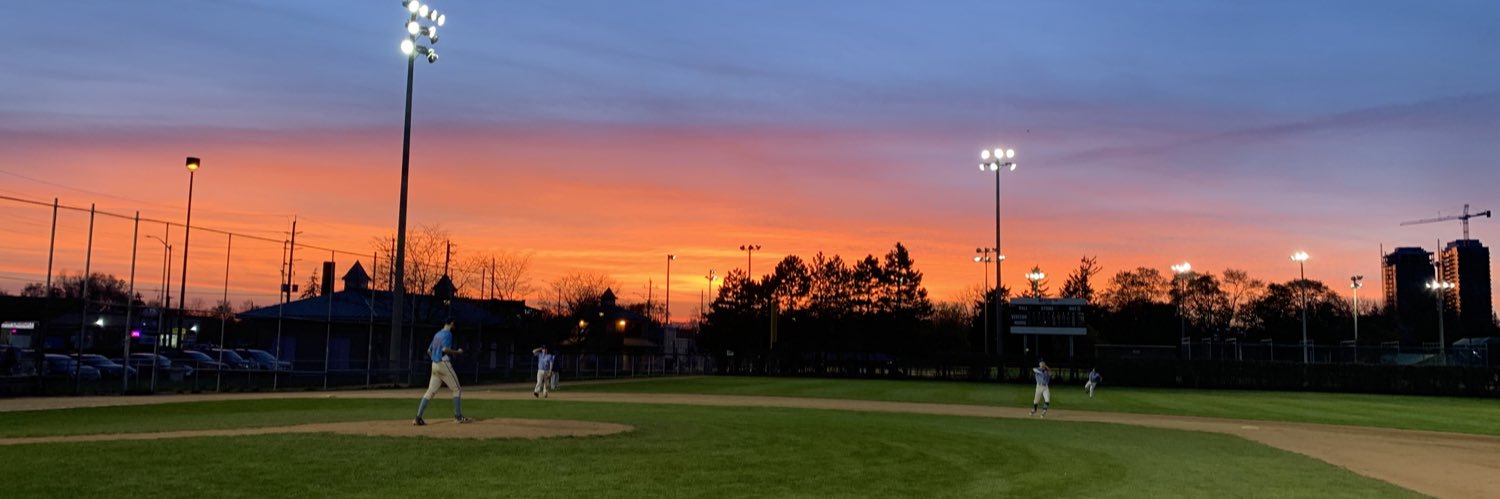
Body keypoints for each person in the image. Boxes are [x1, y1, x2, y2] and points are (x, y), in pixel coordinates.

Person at [413, 319, 472, 425]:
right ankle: (458, 417)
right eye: (454, 324)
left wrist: (435, 360)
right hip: (443, 362)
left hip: (434, 364)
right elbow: (445, 349)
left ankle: (418, 418)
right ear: (452, 323)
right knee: (457, 389)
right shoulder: (448, 334)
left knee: (430, 391)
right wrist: (457, 352)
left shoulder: (437, 334)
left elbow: (429, 351)